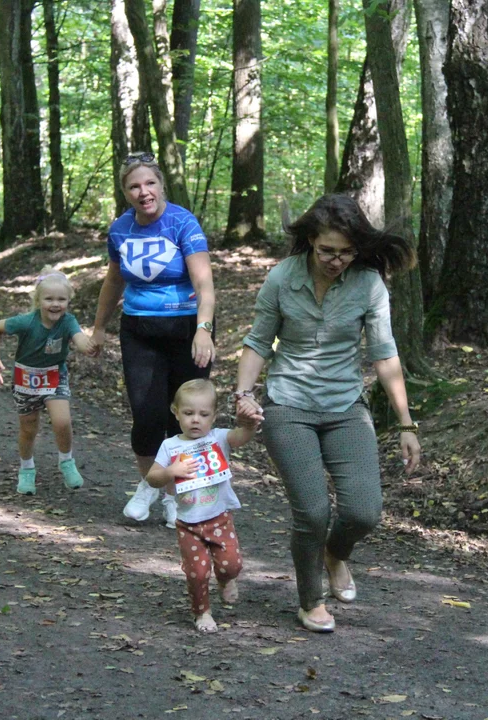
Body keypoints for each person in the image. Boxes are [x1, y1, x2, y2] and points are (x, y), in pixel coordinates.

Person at [234, 194, 422, 633]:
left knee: (363, 511)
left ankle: (336, 553)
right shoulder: (282, 277)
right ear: (310, 242)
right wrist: (244, 393)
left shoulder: (369, 284)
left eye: (346, 252)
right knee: (313, 511)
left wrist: (406, 424)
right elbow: (259, 341)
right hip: (288, 404)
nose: (337, 260)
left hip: (344, 406)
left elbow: (384, 354)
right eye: (327, 251)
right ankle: (310, 600)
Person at [89, 152, 216, 528]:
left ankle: (179, 496)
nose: (143, 192)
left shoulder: (182, 222)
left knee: (187, 418)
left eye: (149, 183)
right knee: (147, 417)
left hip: (186, 329)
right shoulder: (121, 229)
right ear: (126, 192)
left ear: (161, 185)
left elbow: (204, 283)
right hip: (140, 329)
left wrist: (204, 328)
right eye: (134, 186)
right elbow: (113, 282)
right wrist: (98, 327)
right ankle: (152, 486)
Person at [144, 379, 258, 632]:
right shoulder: (170, 446)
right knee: (197, 572)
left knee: (232, 565)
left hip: (219, 518)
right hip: (188, 524)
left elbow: (240, 437)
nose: (196, 419)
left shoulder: (218, 438)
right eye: (188, 413)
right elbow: (152, 478)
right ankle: (202, 612)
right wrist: (171, 471)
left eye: (203, 414)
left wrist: (249, 425)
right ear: (176, 413)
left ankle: (226, 579)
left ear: (214, 416)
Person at [0, 268, 91, 495]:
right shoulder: (25, 322)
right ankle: (26, 469)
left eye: (61, 299)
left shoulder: (68, 321)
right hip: (25, 379)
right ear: (38, 301)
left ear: (68, 301)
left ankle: (66, 461)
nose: (55, 304)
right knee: (28, 427)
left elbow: (80, 338)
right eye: (49, 299)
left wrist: (89, 346)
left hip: (55, 376)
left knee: (62, 420)